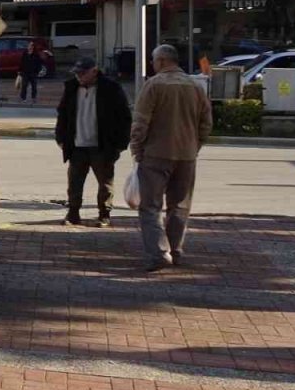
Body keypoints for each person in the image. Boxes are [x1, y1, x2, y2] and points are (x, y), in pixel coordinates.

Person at [130, 44, 213, 272]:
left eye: (154, 61)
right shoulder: (195, 87)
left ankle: (158, 253)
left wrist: (137, 149)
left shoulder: (154, 85)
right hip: (186, 155)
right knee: (179, 205)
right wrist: (195, 146)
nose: (152, 65)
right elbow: (206, 123)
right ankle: (175, 249)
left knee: (150, 206)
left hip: (156, 154)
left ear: (162, 61)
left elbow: (140, 123)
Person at [55, 57, 132, 227]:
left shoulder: (111, 88)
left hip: (102, 146)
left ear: (94, 71)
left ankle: (104, 214)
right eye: (77, 73)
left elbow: (124, 117)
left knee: (105, 183)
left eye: (83, 73)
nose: (79, 77)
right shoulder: (71, 88)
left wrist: (120, 144)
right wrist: (60, 138)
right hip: (77, 145)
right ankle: (73, 213)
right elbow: (63, 114)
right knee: (74, 182)